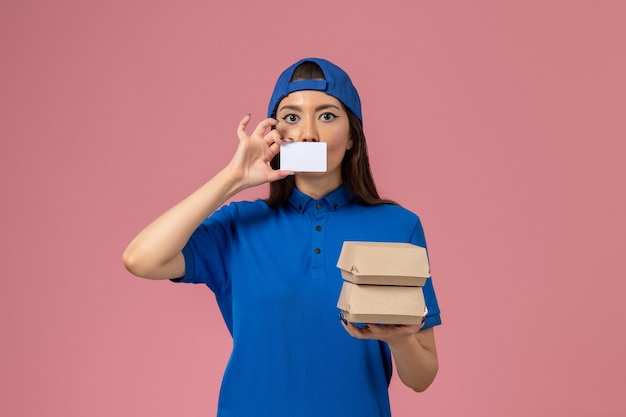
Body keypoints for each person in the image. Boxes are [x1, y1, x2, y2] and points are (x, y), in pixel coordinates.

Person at [123, 57, 441, 417]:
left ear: (352, 136)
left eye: (327, 116)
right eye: (292, 117)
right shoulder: (238, 226)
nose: (308, 133)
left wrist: (400, 339)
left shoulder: (398, 227)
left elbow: (421, 377)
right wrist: (233, 178)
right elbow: (141, 259)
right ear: (275, 135)